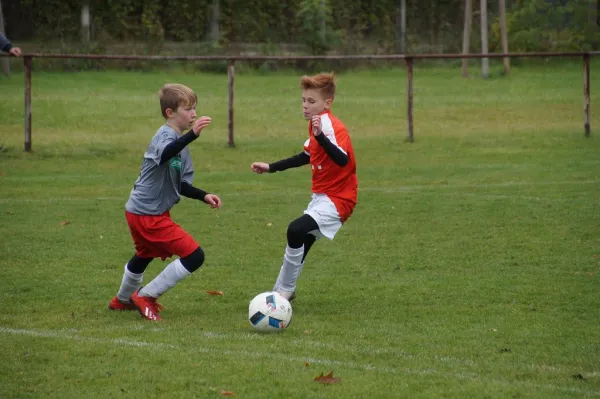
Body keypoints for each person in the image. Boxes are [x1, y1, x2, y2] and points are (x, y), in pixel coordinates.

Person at [108, 83, 222, 321]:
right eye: (188, 109)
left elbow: (180, 185)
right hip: (147, 214)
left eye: (195, 109)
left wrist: (203, 195)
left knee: (144, 254)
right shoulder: (165, 137)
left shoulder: (180, 143)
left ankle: (122, 299)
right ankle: (145, 296)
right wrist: (193, 135)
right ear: (170, 113)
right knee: (194, 256)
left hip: (144, 211)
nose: (193, 114)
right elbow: (166, 153)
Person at [250, 72, 357, 301]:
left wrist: (322, 137)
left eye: (311, 101)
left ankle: (284, 291)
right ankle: (281, 291)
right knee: (303, 238)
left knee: (296, 230)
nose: (305, 106)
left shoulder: (330, 126)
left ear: (327, 103)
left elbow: (342, 159)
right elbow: (306, 155)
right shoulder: (316, 125)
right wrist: (271, 167)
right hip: (322, 197)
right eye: (303, 100)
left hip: (339, 199)